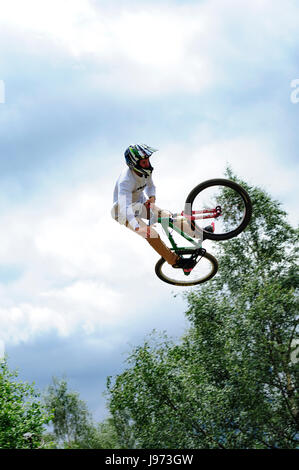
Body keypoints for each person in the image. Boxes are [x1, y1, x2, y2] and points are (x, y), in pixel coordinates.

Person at [111, 144, 210, 271]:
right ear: (134, 164)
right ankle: (175, 261)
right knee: (151, 234)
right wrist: (139, 227)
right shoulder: (125, 181)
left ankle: (198, 233)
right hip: (123, 212)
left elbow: (150, 186)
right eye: (143, 162)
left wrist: (152, 197)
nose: (147, 164)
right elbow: (125, 207)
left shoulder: (145, 170)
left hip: (138, 205)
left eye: (148, 160)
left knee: (166, 217)